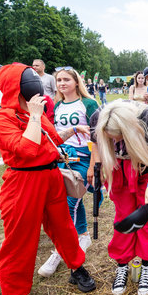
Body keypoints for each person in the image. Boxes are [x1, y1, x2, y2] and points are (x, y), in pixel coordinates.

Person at [0, 63, 96, 295]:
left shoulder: (34, 113)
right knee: (20, 239)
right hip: (23, 182)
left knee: (63, 227)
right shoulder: (1, 118)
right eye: (28, 79)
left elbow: (53, 139)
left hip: (51, 176)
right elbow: (25, 149)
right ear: (17, 86)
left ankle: (75, 266)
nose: (35, 83)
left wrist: (72, 131)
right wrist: (35, 116)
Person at [88, 100, 148, 295]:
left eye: (118, 137)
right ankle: (122, 264)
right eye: (111, 139)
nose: (115, 143)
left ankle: (147, 264)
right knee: (123, 216)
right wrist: (96, 166)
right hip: (119, 167)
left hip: (147, 164)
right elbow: (97, 144)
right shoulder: (98, 118)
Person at [37, 68, 100, 277]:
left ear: (76, 81)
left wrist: (93, 165)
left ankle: (59, 251)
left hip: (83, 158)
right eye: (58, 80)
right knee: (71, 200)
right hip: (62, 158)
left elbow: (97, 137)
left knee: (69, 203)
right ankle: (82, 235)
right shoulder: (56, 105)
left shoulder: (89, 104)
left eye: (66, 79)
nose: (62, 83)